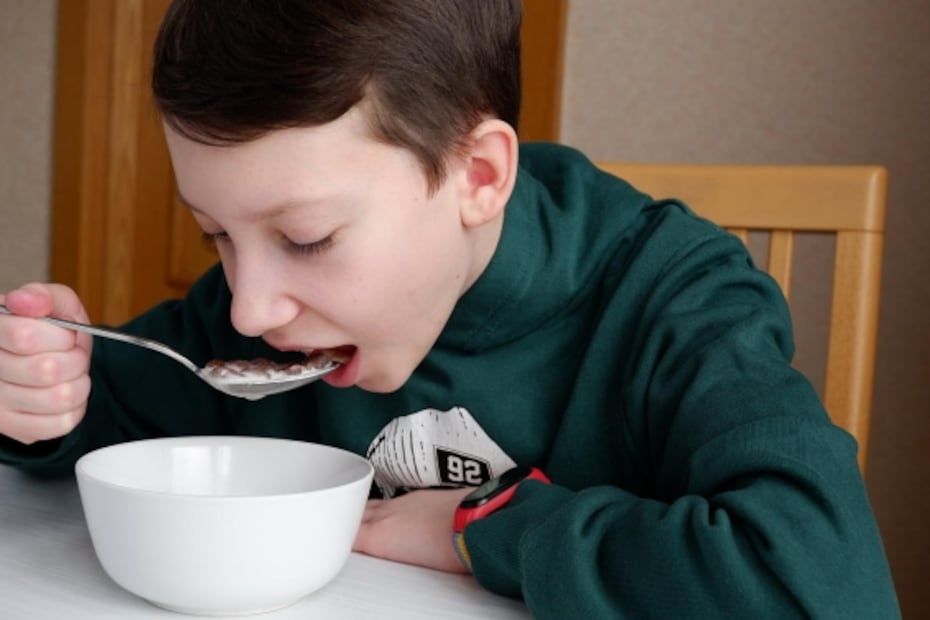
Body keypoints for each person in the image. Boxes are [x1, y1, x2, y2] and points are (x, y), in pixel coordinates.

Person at [0, 1, 900, 617]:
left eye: (308, 238)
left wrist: (487, 525)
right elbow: (111, 422)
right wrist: (42, 393)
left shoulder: (675, 299)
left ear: (476, 176)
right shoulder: (255, 316)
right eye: (216, 236)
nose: (248, 309)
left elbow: (817, 583)